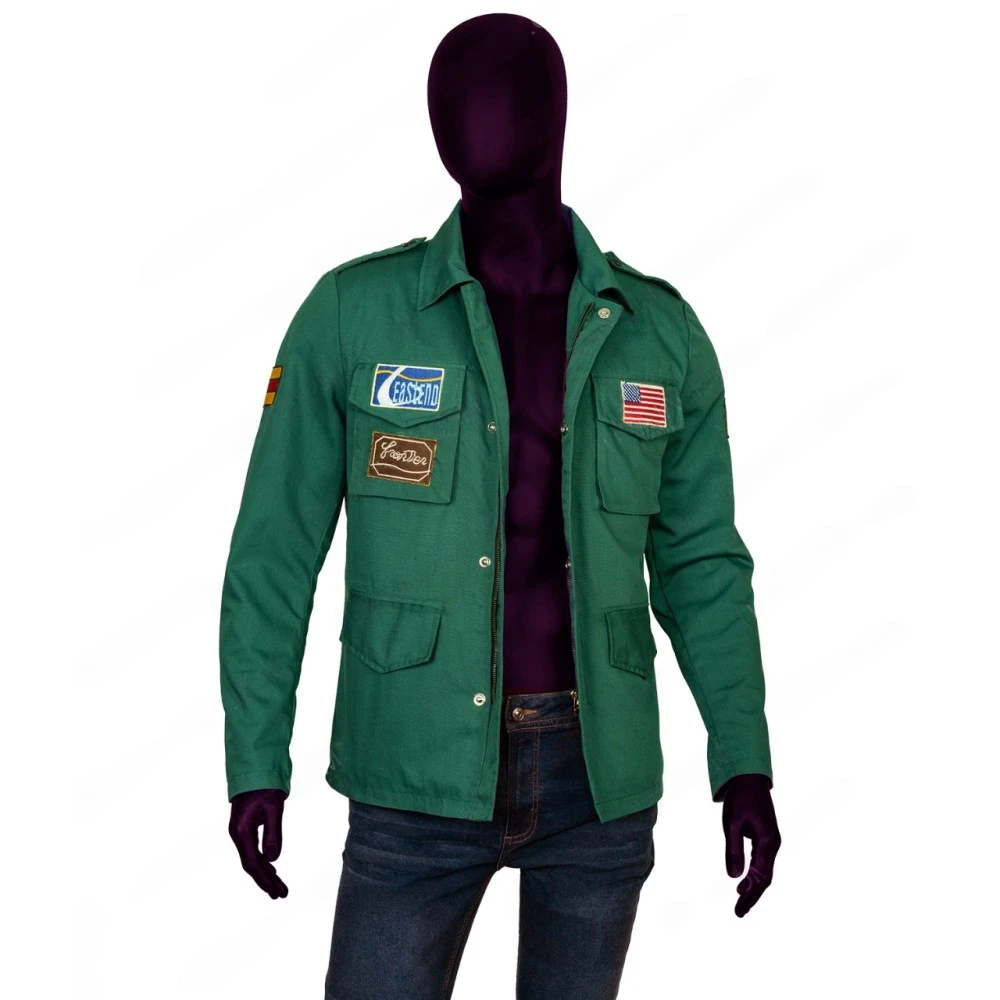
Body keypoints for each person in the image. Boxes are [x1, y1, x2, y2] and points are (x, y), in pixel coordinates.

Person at [221, 14, 781, 999]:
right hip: (412, 767)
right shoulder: (353, 313)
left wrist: (743, 761)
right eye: (447, 97)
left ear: (555, 112)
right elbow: (275, 551)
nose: (462, 118)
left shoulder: (659, 332)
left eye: (496, 93)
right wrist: (255, 758)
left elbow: (701, 562)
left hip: (599, 779)